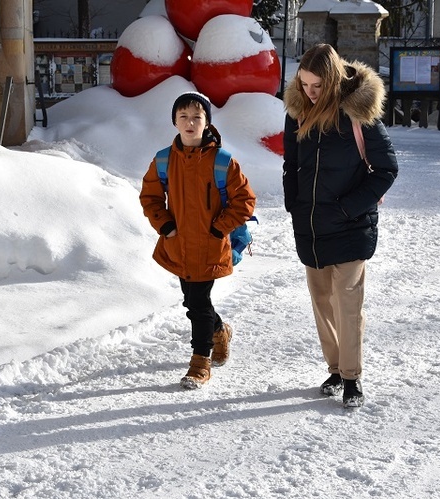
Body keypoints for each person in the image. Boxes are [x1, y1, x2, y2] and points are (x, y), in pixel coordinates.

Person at [282, 44, 398, 408]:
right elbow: (291, 163)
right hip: (311, 226)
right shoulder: (298, 111)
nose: (310, 93)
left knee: (347, 304)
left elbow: (386, 170)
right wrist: (294, 204)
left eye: (317, 86)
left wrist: (348, 208)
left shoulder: (357, 114)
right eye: (304, 84)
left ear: (332, 80)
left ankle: (351, 377)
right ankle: (335, 369)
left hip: (350, 227)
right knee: (322, 303)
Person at [140, 92, 256, 389]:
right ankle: (220, 332)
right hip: (178, 244)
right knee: (192, 301)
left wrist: (220, 229)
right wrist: (165, 225)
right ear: (175, 122)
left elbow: (245, 200)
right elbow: (150, 197)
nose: (190, 122)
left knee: (199, 302)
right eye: (183, 117)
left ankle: (200, 362)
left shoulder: (222, 161)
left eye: (196, 117)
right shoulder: (164, 160)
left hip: (211, 245)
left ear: (206, 122)